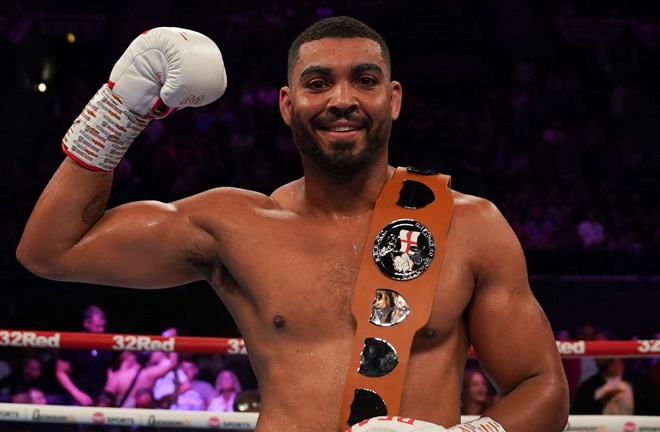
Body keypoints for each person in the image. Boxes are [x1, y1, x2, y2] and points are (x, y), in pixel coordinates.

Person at [16, 17, 568, 432]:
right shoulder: (234, 226)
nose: (342, 100)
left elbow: (542, 387)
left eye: (365, 80)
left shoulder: (469, 227)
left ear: (393, 99)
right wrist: (122, 109)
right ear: (287, 103)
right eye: (319, 82)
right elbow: (51, 249)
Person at [54, 305, 116, 406]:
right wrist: (76, 393)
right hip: (78, 396)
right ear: (86, 324)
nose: (101, 330)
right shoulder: (73, 342)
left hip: (101, 396)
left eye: (103, 326)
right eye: (97, 327)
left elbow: (110, 367)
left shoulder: (108, 341)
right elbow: (60, 372)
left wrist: (108, 390)